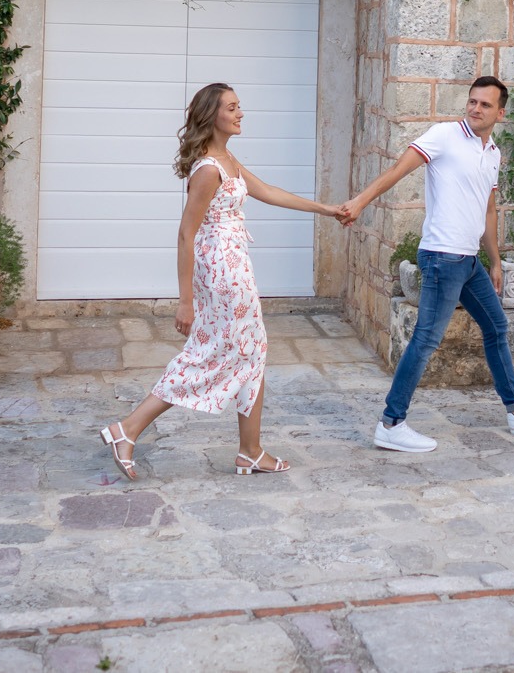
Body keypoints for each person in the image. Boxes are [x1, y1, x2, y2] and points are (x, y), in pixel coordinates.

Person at [100, 81, 346, 479]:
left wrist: (327, 209)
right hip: (223, 274)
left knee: (252, 351)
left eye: (238, 106)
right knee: (212, 354)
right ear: (212, 116)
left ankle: (250, 451)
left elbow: (268, 191)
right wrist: (185, 301)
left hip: (234, 266)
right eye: (232, 108)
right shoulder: (209, 170)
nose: (240, 113)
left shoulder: (227, 160)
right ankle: (127, 428)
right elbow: (185, 233)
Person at [338, 76, 514, 452]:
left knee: (495, 326)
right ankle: (391, 423)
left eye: (485, 105)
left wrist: (494, 260)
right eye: (472, 102)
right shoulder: (443, 135)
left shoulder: (492, 152)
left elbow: (488, 209)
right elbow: (398, 171)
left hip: (468, 260)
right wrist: (361, 202)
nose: (476, 109)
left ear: (501, 113)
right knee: (426, 339)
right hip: (443, 256)